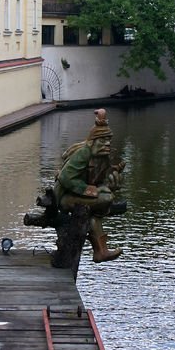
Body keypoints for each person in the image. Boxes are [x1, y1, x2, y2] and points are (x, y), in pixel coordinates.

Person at [54, 108, 124, 263]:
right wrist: (89, 190)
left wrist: (112, 183)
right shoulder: (84, 153)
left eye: (109, 140)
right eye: (103, 140)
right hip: (65, 197)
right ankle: (100, 250)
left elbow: (100, 181)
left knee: (97, 212)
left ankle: (101, 251)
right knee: (106, 197)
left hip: (80, 198)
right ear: (93, 142)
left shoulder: (102, 158)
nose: (107, 144)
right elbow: (65, 177)